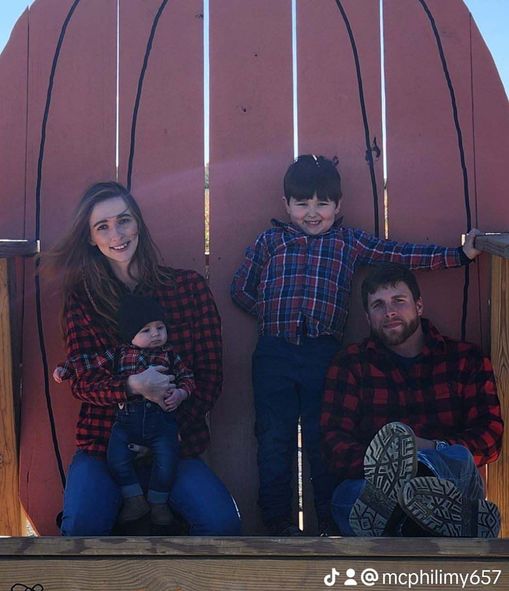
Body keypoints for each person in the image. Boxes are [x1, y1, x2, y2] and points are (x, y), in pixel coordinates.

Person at [231, 154, 481, 537]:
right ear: (286, 205)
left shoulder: (348, 242)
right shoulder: (271, 241)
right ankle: (278, 524)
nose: (312, 213)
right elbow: (240, 287)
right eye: (302, 204)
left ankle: (330, 523)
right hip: (274, 352)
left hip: (321, 354)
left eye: (322, 203)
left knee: (320, 438)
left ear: (338, 206)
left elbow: (398, 253)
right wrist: (270, 316)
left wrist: (458, 256)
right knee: (273, 437)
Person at [47, 181, 241, 536]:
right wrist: (133, 386)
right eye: (102, 226)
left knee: (222, 525)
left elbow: (210, 377)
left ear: (138, 224)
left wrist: (165, 424)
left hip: (174, 445)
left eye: (124, 221)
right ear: (91, 238)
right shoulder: (83, 300)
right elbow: (84, 381)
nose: (116, 234)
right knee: (80, 531)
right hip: (103, 445)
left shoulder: (188, 289)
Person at [321, 263, 503, 537]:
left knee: (458, 456)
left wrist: (427, 449)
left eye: (398, 301)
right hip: (378, 487)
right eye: (378, 305)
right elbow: (334, 442)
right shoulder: (351, 364)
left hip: (449, 478)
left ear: (418, 306)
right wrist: (392, 460)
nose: (389, 311)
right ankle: (424, 520)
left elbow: (490, 436)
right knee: (348, 498)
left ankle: (413, 516)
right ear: (368, 317)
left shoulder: (465, 359)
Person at [54, 294, 196, 527]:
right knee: (116, 458)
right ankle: (134, 500)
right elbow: (90, 362)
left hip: (162, 423)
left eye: (160, 328)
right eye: (146, 330)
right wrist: (66, 369)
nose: (156, 334)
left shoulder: (170, 355)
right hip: (126, 422)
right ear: (131, 334)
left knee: (167, 460)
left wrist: (180, 394)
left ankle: (158, 503)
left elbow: (188, 378)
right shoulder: (120, 353)